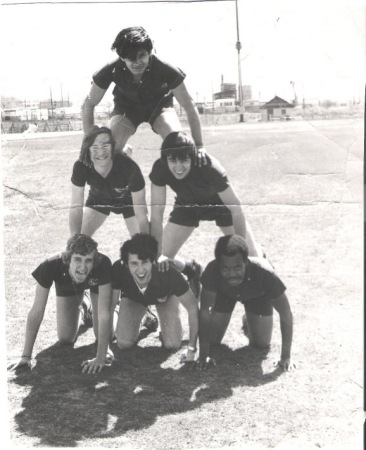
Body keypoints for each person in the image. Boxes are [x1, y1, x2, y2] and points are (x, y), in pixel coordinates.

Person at [149, 131, 263, 282]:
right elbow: (156, 216)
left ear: (193, 157)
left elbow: (236, 209)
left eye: (184, 160)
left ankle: (260, 253)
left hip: (220, 206)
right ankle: (191, 269)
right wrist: (156, 254)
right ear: (165, 160)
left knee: (253, 262)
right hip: (187, 205)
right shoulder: (160, 168)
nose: (178, 167)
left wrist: (242, 249)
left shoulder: (208, 166)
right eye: (172, 160)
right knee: (158, 259)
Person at [82, 26, 206, 159]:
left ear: (149, 52)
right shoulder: (110, 69)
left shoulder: (165, 68)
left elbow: (189, 105)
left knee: (177, 144)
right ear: (122, 58)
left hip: (160, 108)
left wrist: (199, 146)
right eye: (131, 58)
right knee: (111, 149)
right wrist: (88, 142)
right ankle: (124, 154)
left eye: (141, 56)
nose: (137, 63)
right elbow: (88, 104)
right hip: (126, 109)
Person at [7, 234, 114, 374]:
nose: (83, 266)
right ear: (68, 259)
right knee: (65, 337)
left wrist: (101, 356)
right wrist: (25, 356)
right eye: (77, 259)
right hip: (68, 286)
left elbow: (104, 313)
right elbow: (37, 311)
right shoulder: (50, 266)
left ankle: (114, 309)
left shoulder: (103, 263)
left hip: (96, 287)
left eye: (88, 261)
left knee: (106, 335)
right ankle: (84, 306)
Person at [196, 235, 295, 371]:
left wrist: (285, 357)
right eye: (226, 268)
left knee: (261, 344)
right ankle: (246, 318)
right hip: (224, 295)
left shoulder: (265, 272)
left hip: (257, 297)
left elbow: (285, 313)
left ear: (246, 262)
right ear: (219, 264)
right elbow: (205, 311)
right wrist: (203, 354)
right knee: (212, 341)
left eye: (237, 268)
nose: (232, 274)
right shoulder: (212, 270)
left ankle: (249, 321)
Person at [111, 233, 199, 362]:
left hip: (165, 298)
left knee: (172, 344)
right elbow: (110, 306)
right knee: (123, 343)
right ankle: (145, 316)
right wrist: (105, 349)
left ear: (153, 261)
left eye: (145, 262)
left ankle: (188, 267)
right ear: (126, 264)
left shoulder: (167, 271)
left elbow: (192, 308)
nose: (140, 270)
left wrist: (191, 349)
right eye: (134, 263)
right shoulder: (119, 269)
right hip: (134, 299)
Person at [69, 126, 149, 237]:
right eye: (95, 148)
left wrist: (146, 241)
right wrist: (74, 238)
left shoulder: (130, 167)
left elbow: (141, 211)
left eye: (105, 146)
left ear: (113, 147)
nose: (101, 152)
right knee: (79, 240)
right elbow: (76, 206)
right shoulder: (81, 166)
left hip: (128, 200)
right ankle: (126, 150)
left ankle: (126, 151)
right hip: (99, 198)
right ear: (87, 150)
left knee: (143, 243)